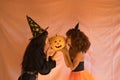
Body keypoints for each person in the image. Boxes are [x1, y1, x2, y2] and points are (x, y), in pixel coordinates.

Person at [18, 16, 56, 80]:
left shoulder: (35, 49)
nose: (47, 38)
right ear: (42, 39)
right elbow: (43, 70)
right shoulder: (36, 51)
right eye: (46, 37)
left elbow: (45, 65)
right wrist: (47, 55)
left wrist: (50, 54)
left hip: (28, 77)